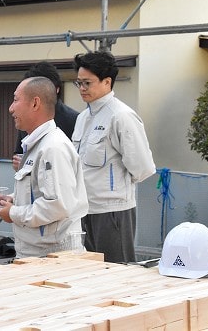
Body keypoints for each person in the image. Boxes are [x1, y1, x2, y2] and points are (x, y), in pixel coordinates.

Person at [71, 51, 155, 263]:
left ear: (107, 82)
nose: (81, 88)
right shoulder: (82, 118)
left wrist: (115, 186)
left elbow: (143, 167)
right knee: (90, 272)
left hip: (112, 211)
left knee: (118, 270)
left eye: (87, 83)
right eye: (78, 82)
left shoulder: (121, 116)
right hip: (84, 209)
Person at [0, 77, 88, 258]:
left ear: (35, 103)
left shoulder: (53, 148)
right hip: (37, 252)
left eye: (15, 100)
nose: (11, 108)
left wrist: (13, 213)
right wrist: (12, 199)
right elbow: (40, 192)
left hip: (52, 256)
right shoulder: (38, 144)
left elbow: (57, 205)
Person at [13, 61, 79, 171]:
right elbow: (18, 153)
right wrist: (18, 163)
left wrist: (33, 166)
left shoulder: (74, 120)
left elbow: (75, 163)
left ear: (56, 89)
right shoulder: (27, 118)